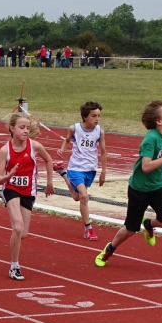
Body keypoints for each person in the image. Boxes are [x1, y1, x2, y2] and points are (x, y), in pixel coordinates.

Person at [95, 101, 162, 268]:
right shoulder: (150, 139)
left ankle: (148, 224)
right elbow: (146, 167)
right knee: (130, 229)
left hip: (159, 186)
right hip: (139, 189)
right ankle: (109, 249)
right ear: (159, 121)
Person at [0, 112, 54, 281]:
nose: (26, 131)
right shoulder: (5, 150)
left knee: (24, 233)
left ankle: (15, 252)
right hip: (11, 188)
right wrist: (7, 176)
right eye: (22, 127)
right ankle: (14, 266)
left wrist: (49, 183)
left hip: (28, 191)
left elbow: (49, 160)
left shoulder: (35, 146)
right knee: (18, 227)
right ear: (12, 129)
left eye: (28, 128)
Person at [54, 101, 108, 241]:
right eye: (93, 116)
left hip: (90, 169)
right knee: (84, 196)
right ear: (85, 117)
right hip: (76, 167)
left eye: (98, 116)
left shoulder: (99, 131)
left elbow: (103, 151)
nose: (97, 119)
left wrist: (103, 171)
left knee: (77, 197)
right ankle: (88, 229)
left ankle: (63, 174)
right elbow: (67, 140)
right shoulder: (75, 129)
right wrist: (62, 149)